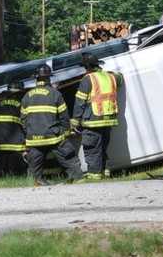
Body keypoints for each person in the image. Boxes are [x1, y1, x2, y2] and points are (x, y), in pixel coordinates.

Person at [21, 64, 81, 185]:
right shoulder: (55, 94)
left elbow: (23, 119)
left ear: (36, 79)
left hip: (34, 138)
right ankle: (77, 177)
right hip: (53, 136)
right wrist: (66, 132)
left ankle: (36, 181)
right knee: (68, 156)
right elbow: (64, 117)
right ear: (49, 78)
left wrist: (29, 132)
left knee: (35, 165)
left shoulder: (26, 96)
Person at [72, 52, 123, 180]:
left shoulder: (88, 79)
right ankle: (105, 172)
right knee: (103, 148)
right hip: (108, 121)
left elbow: (80, 102)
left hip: (92, 121)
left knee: (93, 149)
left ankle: (94, 176)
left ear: (87, 67)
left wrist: (75, 120)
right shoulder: (111, 77)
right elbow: (121, 77)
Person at [0, 80, 27, 177]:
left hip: (0, 146)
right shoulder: (22, 105)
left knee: (3, 171)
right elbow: (26, 124)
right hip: (17, 146)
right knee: (18, 173)